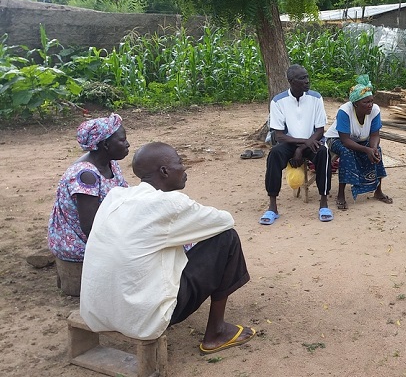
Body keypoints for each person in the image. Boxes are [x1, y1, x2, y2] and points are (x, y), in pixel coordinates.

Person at [80, 142, 255, 353]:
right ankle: (216, 332)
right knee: (227, 238)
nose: (184, 168)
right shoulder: (169, 204)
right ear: (164, 171)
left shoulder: (116, 196)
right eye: (180, 162)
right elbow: (225, 220)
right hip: (143, 321)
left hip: (96, 312)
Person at [47, 113, 130, 263]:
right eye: (122, 140)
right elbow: (89, 227)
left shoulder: (110, 164)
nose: (127, 144)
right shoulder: (86, 175)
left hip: (101, 232)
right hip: (79, 245)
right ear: (105, 145)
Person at [260, 64, 333, 224]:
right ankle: (272, 206)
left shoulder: (316, 98)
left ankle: (324, 202)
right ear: (291, 81)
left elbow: (320, 130)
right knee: (274, 155)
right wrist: (301, 144)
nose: (307, 81)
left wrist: (302, 148)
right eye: (302, 78)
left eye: (307, 77)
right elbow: (279, 135)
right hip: (290, 142)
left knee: (323, 154)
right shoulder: (278, 101)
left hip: (313, 140)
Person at [325, 74, 392, 211]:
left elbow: (375, 135)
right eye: (365, 102)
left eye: (371, 101)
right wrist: (366, 150)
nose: (370, 105)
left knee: (377, 151)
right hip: (336, 140)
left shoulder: (375, 110)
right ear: (355, 104)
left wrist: (372, 149)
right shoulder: (345, 111)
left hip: (361, 140)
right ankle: (341, 194)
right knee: (346, 152)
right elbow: (345, 140)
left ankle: (378, 191)